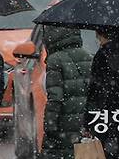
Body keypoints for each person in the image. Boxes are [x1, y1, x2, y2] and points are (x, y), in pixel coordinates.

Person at [41, 26, 93, 159]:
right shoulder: (88, 56)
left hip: (63, 123)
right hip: (83, 121)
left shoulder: (55, 60)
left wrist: (49, 125)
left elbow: (55, 97)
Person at [84, 27, 119, 159]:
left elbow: (94, 90)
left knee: (106, 152)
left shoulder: (102, 55)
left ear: (102, 34)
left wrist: (88, 122)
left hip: (105, 114)